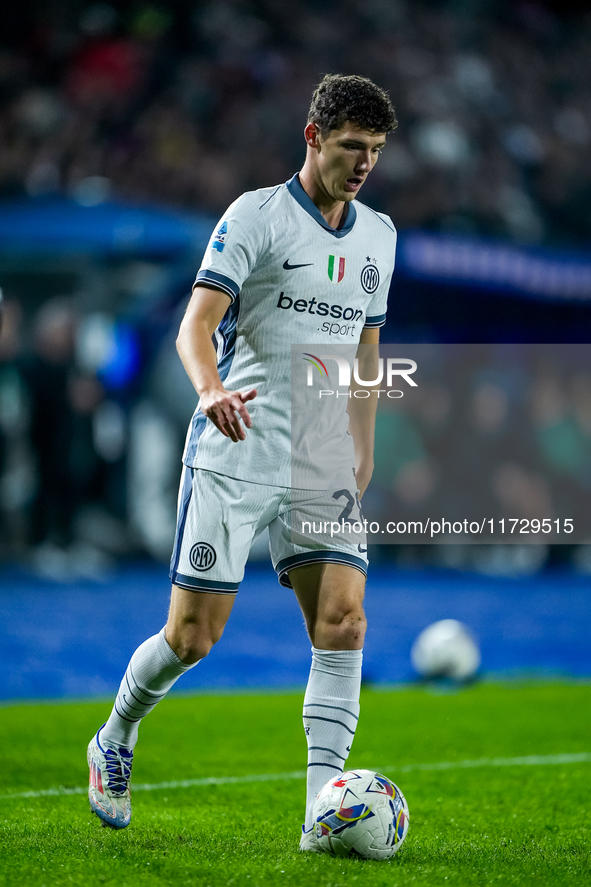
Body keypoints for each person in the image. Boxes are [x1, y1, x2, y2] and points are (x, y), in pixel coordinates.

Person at [87, 73, 398, 850]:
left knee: (343, 621)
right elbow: (195, 326)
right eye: (351, 147)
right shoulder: (254, 216)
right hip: (237, 445)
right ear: (312, 137)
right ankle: (114, 736)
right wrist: (211, 390)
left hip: (321, 457)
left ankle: (317, 819)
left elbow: (366, 352)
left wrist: (360, 452)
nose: (363, 164)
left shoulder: (380, 238)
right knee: (193, 637)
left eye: (376, 151)